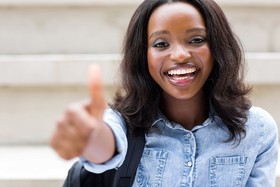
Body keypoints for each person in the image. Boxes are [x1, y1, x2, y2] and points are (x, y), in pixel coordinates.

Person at [50, 0, 278, 186]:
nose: (179, 55)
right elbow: (104, 148)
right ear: (143, 55)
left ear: (217, 47)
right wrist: (90, 136)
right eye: (160, 44)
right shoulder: (122, 122)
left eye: (196, 40)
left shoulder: (257, 129)